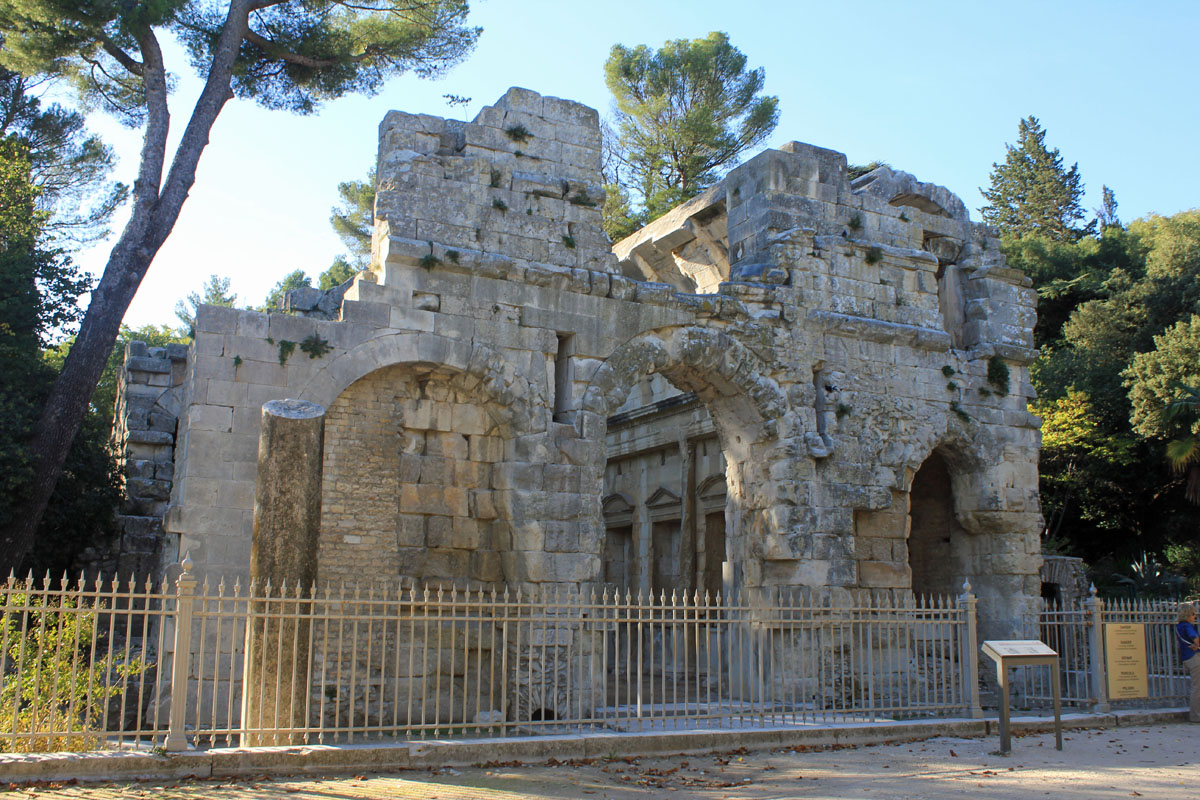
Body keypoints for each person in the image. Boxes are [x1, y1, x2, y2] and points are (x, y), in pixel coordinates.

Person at [1177, 603, 1200, 722]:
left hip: (1187, 658)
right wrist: (1197, 644)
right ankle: (1196, 716)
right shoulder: (1187, 626)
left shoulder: (1179, 626)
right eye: (1193, 614)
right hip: (1194, 657)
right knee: (1197, 687)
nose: (1195, 616)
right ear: (1187, 615)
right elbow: (1194, 637)